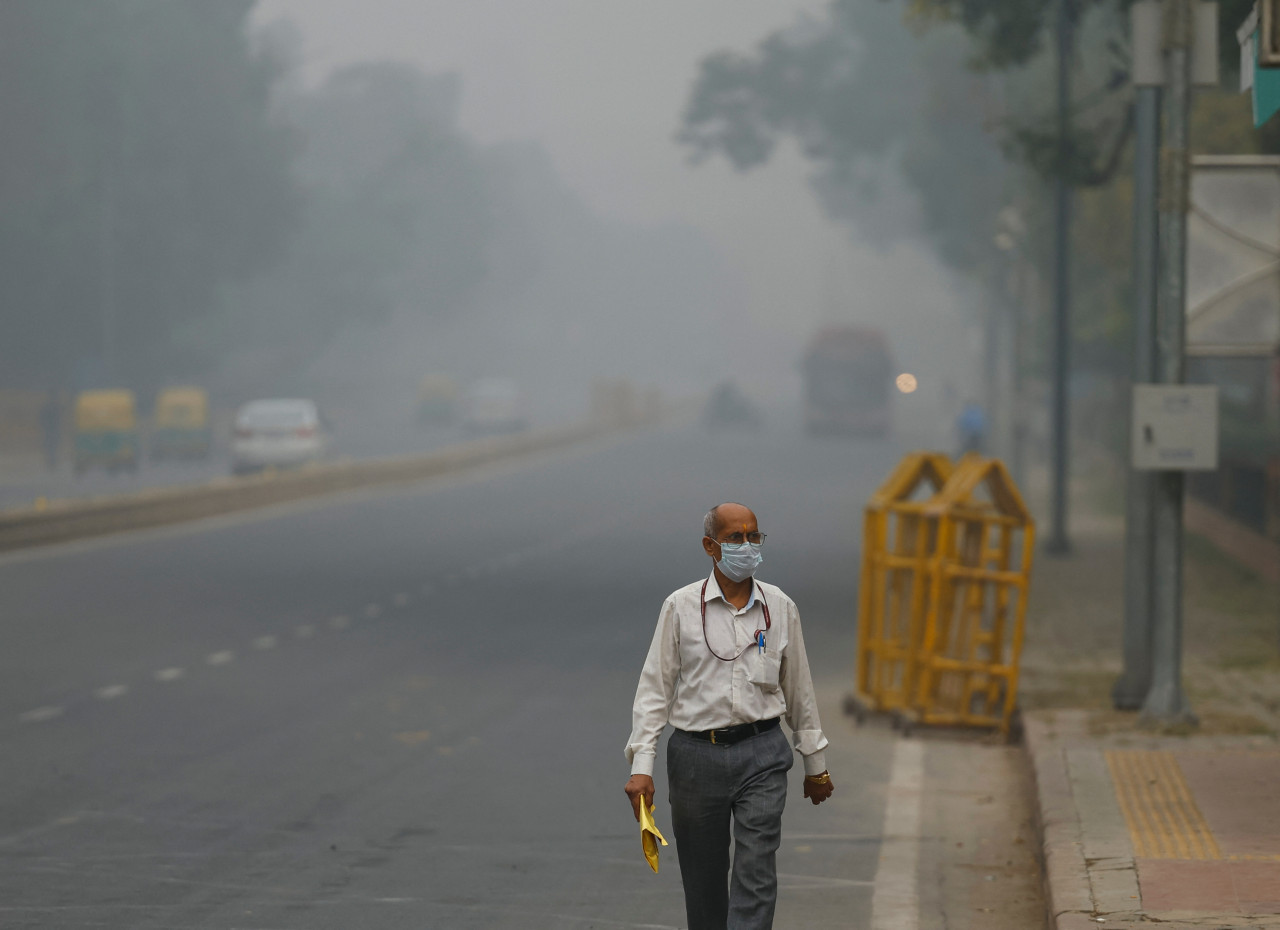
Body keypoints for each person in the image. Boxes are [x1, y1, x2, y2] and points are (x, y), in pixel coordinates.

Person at [624, 501, 834, 930]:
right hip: (695, 758)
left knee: (756, 872)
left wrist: (815, 764)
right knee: (703, 883)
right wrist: (642, 767)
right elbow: (654, 690)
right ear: (710, 546)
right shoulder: (680, 607)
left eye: (753, 536)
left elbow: (800, 689)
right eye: (735, 538)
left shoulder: (780, 608)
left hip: (763, 754)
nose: (746, 545)